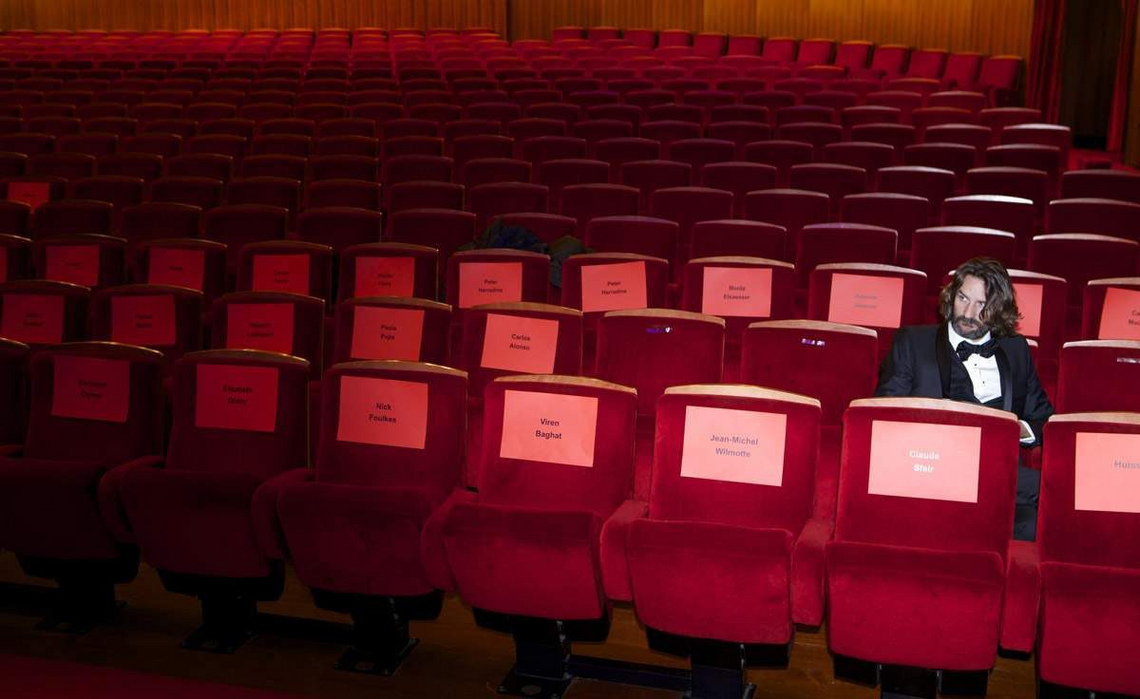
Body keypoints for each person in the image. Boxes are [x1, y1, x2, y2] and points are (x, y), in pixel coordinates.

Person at [876, 257, 1054, 540]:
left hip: (998, 476)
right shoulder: (913, 342)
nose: (968, 313)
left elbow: (1045, 419)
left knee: (1052, 503)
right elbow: (883, 416)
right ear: (951, 295)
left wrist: (1021, 429)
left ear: (999, 309)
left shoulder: (1016, 350)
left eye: (981, 305)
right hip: (934, 469)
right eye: (963, 298)